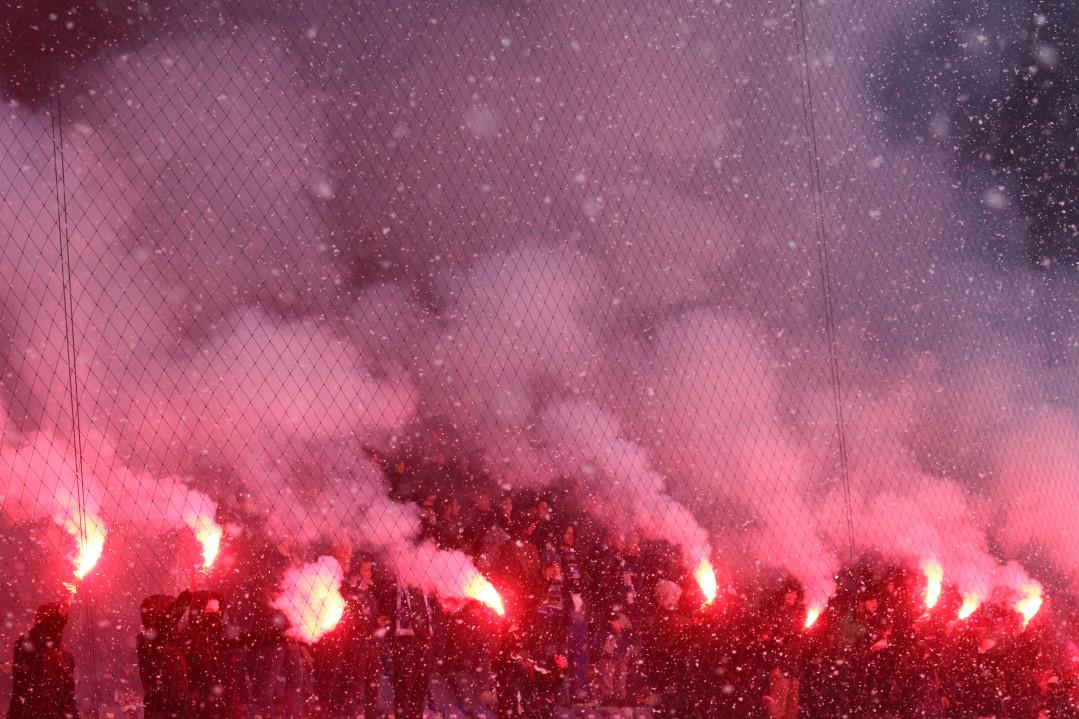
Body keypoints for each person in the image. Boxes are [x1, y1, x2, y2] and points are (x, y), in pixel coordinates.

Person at [311, 559, 384, 719]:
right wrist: (372, 623)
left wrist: (378, 622)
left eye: (370, 570)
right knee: (353, 689)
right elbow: (349, 620)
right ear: (357, 572)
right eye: (365, 570)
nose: (369, 573)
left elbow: (372, 615)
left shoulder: (369, 592)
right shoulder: (350, 593)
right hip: (356, 647)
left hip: (372, 645)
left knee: (373, 688)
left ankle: (370, 715)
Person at [6, 600, 79, 719]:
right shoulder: (26, 645)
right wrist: (57, 617)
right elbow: (40, 636)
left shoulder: (66, 656)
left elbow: (68, 699)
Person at [378, 580, 435, 719]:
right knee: (405, 685)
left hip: (424, 641)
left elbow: (434, 613)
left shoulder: (427, 584)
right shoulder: (394, 583)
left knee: (421, 685)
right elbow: (387, 609)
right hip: (404, 642)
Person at [137, 592, 194, 719]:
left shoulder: (172, 644)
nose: (177, 623)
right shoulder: (152, 640)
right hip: (165, 709)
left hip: (172, 708)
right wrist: (186, 597)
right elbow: (165, 622)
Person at [184, 593, 239, 719]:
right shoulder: (189, 636)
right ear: (199, 611)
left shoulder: (223, 633)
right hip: (201, 698)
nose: (214, 614)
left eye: (217, 610)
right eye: (209, 610)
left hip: (224, 698)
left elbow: (246, 639)